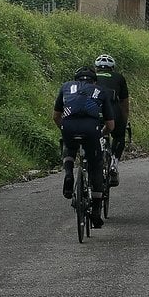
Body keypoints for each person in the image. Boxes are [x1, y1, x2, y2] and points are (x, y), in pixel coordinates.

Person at [53, 66, 115, 227]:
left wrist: (64, 128)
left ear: (76, 79)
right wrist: (101, 133)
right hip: (91, 127)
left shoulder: (66, 87)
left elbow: (56, 116)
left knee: (70, 147)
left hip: (68, 124)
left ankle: (68, 173)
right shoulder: (100, 91)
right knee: (96, 165)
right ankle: (95, 212)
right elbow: (110, 125)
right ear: (94, 81)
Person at [93, 53, 130, 186]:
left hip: (94, 110)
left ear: (96, 68)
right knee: (119, 136)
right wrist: (124, 120)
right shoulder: (119, 78)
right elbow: (124, 103)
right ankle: (114, 164)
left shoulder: (92, 77)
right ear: (112, 68)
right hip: (113, 110)